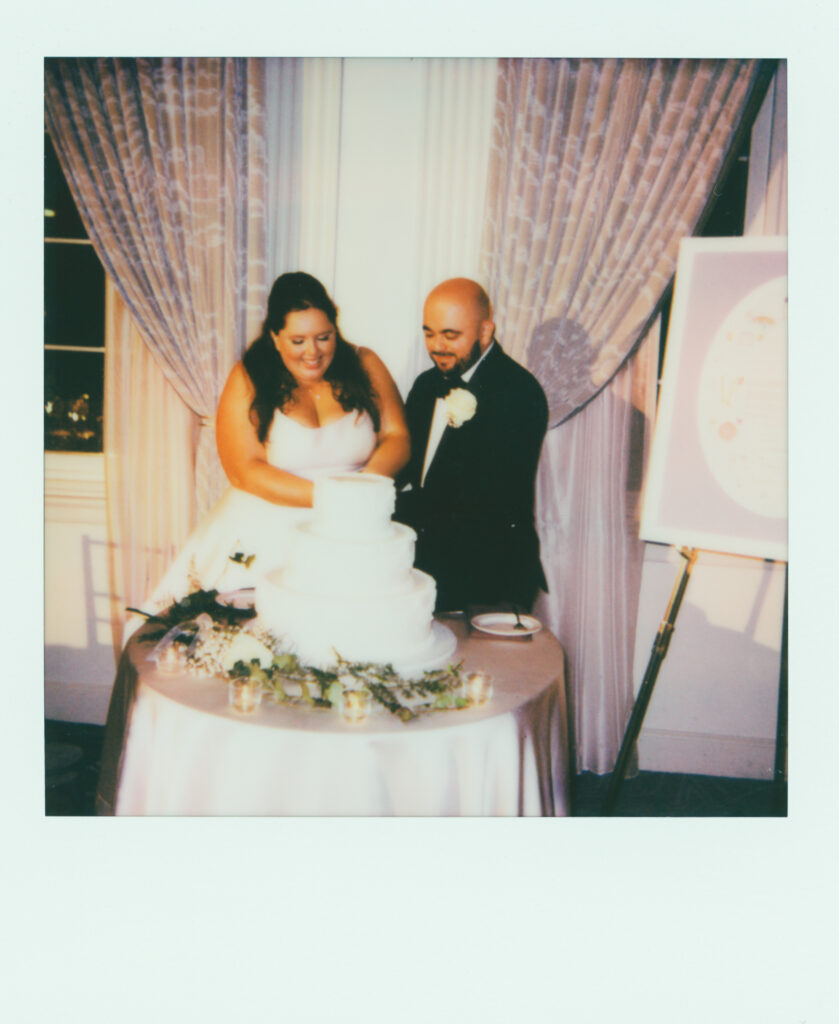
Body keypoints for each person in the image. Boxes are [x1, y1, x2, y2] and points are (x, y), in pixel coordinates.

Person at [126, 271, 410, 634]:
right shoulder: (247, 378)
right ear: (275, 337)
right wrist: (331, 497)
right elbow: (243, 469)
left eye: (324, 337)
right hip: (265, 525)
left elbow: (397, 436)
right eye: (298, 341)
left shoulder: (365, 363)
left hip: (353, 524)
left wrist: (363, 488)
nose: (313, 352)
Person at [395, 277, 548, 613]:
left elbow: (484, 500)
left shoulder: (519, 392)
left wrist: (391, 511)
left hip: (490, 580)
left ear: (485, 331)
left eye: (450, 335)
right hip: (427, 567)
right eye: (429, 333)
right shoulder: (426, 385)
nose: (437, 346)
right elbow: (406, 464)